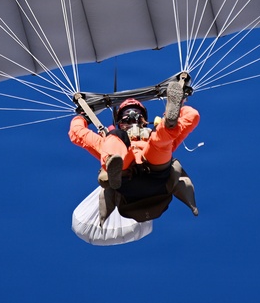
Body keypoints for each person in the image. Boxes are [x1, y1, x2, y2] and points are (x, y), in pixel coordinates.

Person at [69, 78, 199, 223]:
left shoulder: (151, 137)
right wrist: (83, 116)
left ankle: (169, 123)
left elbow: (76, 133)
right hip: (152, 180)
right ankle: (117, 168)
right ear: (119, 123)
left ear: (144, 120)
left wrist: (81, 117)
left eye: (137, 115)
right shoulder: (110, 141)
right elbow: (192, 116)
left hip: (137, 181)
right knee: (117, 140)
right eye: (126, 118)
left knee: (161, 139)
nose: (132, 120)